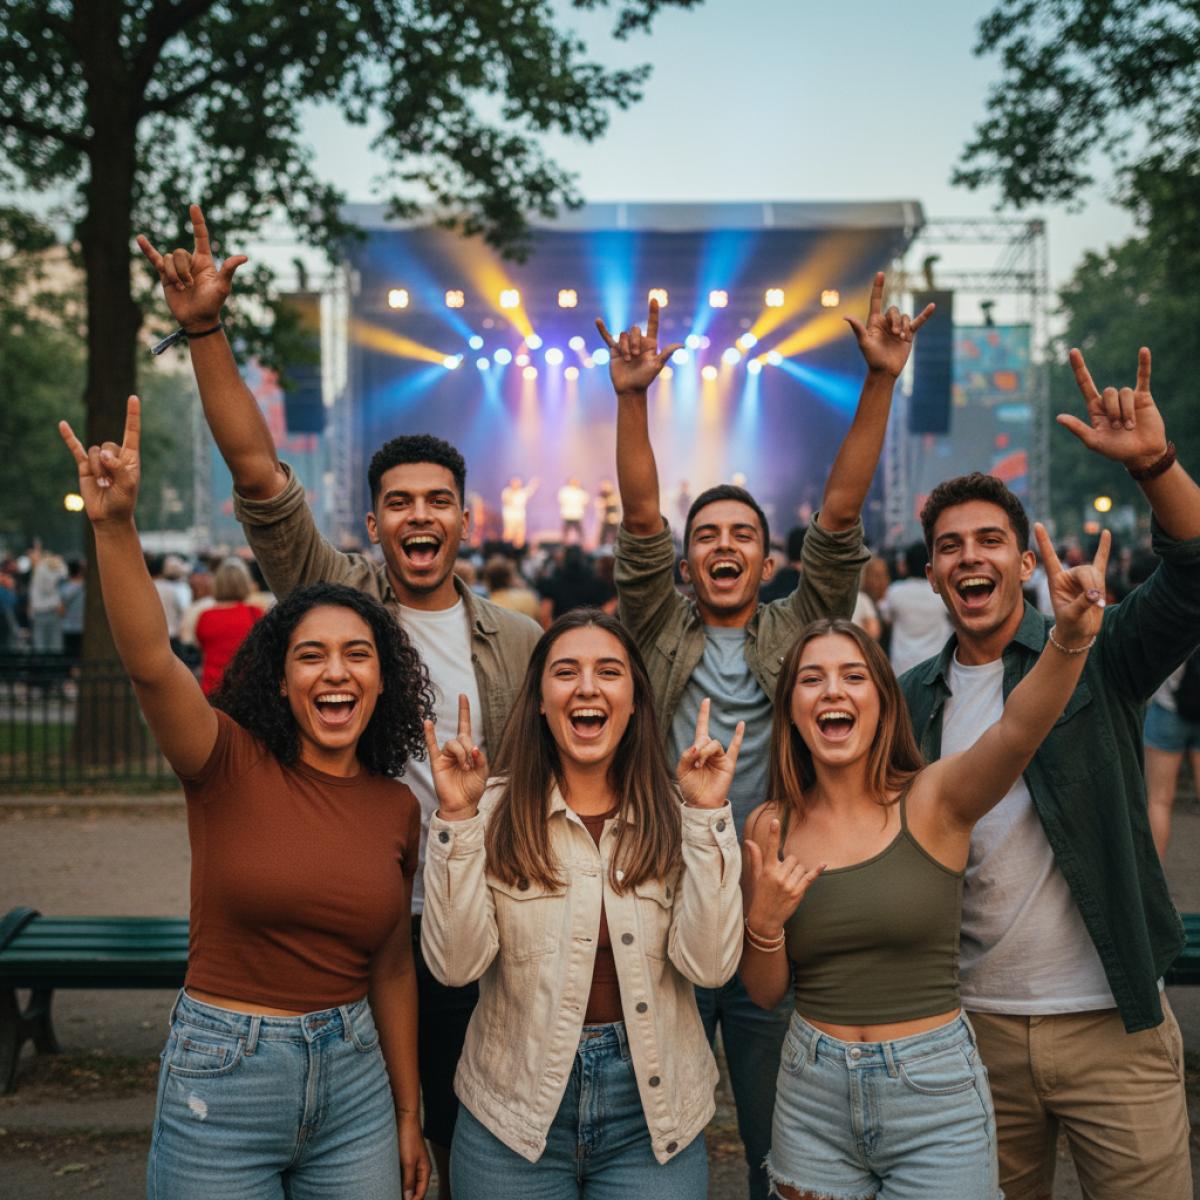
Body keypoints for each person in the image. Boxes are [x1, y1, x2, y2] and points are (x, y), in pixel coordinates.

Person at [139, 205, 542, 1199]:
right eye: (399, 501)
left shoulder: (520, 642)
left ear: (462, 519)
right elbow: (257, 476)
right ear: (376, 521)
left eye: (436, 500)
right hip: (348, 932)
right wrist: (204, 330)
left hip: (466, 934)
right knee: (377, 1148)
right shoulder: (338, 601)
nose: (419, 515)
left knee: (469, 1153)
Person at [598, 276, 935, 1200]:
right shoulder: (657, 625)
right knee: (646, 1138)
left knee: (778, 1149)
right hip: (664, 901)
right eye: (705, 533)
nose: (723, 545)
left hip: (774, 911)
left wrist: (878, 384)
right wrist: (632, 399)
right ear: (688, 555)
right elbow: (636, 520)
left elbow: (839, 514)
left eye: (741, 533)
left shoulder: (801, 630)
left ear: (764, 556)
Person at [58, 396, 431, 1200]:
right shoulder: (224, 760)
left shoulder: (395, 806)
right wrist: (115, 527)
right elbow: (154, 664)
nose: (336, 672)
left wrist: (409, 1111)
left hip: (358, 1083)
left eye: (358, 655)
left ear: (383, 678)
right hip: (224, 1076)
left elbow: (393, 966)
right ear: (280, 676)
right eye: (312, 656)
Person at [899, 346, 1199, 1199]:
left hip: (1114, 1022)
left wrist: (1155, 464)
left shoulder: (1096, 656)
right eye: (950, 547)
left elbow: (1195, 573)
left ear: (1025, 563)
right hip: (968, 1034)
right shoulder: (907, 702)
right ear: (931, 576)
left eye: (991, 540)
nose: (970, 558)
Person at [742, 519, 1106, 1198]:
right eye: (812, 680)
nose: (833, 692)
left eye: (854, 676)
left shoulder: (934, 799)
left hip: (933, 1091)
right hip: (811, 1093)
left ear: (882, 701)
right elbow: (764, 992)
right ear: (791, 708)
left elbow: (1020, 729)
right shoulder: (768, 826)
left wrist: (1069, 639)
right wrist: (763, 923)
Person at [420, 610, 744, 1198]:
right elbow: (453, 966)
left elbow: (713, 967)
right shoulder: (487, 814)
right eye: (566, 671)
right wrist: (457, 820)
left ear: (635, 701)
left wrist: (707, 818)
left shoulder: (681, 815)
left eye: (609, 672)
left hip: (652, 1119)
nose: (588, 687)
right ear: (541, 700)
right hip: (511, 1116)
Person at [880, 539, 952, 674]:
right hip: (935, 663)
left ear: (907, 564)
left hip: (902, 664)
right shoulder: (941, 593)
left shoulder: (895, 591)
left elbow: (886, 618)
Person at [194, 557, 262, 695]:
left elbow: (200, 647)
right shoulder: (255, 613)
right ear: (245, 583)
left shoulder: (206, 616)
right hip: (246, 688)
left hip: (212, 687)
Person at [501, 476, 539, 548]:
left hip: (520, 516)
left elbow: (530, 490)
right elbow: (507, 501)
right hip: (509, 517)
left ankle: (519, 550)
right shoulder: (506, 491)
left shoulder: (522, 492)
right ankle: (506, 549)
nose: (517, 485)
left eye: (518, 483)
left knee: (520, 534)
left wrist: (534, 483)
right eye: (515, 483)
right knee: (509, 534)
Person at [557, 477, 589, 544]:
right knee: (565, 531)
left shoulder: (580, 491)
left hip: (577, 514)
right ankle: (563, 544)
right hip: (568, 514)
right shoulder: (565, 491)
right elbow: (561, 500)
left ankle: (582, 543)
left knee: (580, 531)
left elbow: (586, 501)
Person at [594, 480, 620, 546]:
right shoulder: (601, 497)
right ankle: (602, 548)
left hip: (613, 519)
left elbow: (615, 502)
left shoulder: (614, 496)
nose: (606, 488)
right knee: (603, 536)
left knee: (615, 536)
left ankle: (616, 548)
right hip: (604, 519)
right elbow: (599, 504)